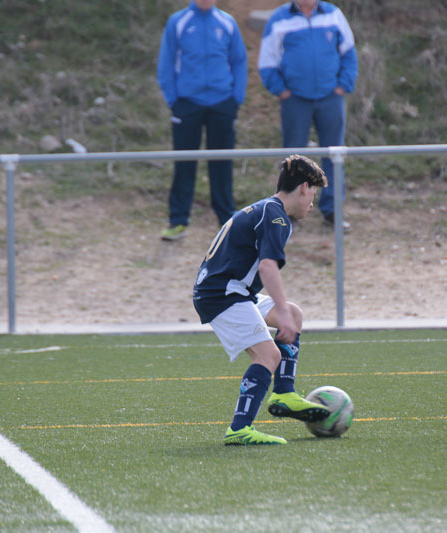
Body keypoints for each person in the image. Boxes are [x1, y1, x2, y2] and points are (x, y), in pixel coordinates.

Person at [193, 155, 331, 445]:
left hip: (232, 290)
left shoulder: (268, 209)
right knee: (269, 355)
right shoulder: (275, 215)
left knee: (294, 313)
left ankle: (284, 394)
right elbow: (268, 267)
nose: (312, 204)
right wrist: (280, 313)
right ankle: (239, 429)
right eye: (314, 195)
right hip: (222, 294)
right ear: (304, 188)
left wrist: (285, 313)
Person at [258, 0, 358, 231]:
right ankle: (289, 214)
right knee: (293, 160)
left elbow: (349, 53)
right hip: (295, 100)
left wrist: (343, 85)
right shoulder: (279, 19)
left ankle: (333, 210)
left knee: (334, 155)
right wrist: (282, 91)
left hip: (331, 98)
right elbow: (267, 60)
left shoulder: (333, 14)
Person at [156, 0, 247, 241]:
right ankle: (178, 222)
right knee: (184, 163)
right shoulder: (178, 22)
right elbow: (166, 63)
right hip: (187, 103)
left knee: (222, 164)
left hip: (222, 103)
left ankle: (227, 223)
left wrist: (236, 98)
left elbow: (239, 60)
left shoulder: (227, 22)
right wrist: (174, 100)